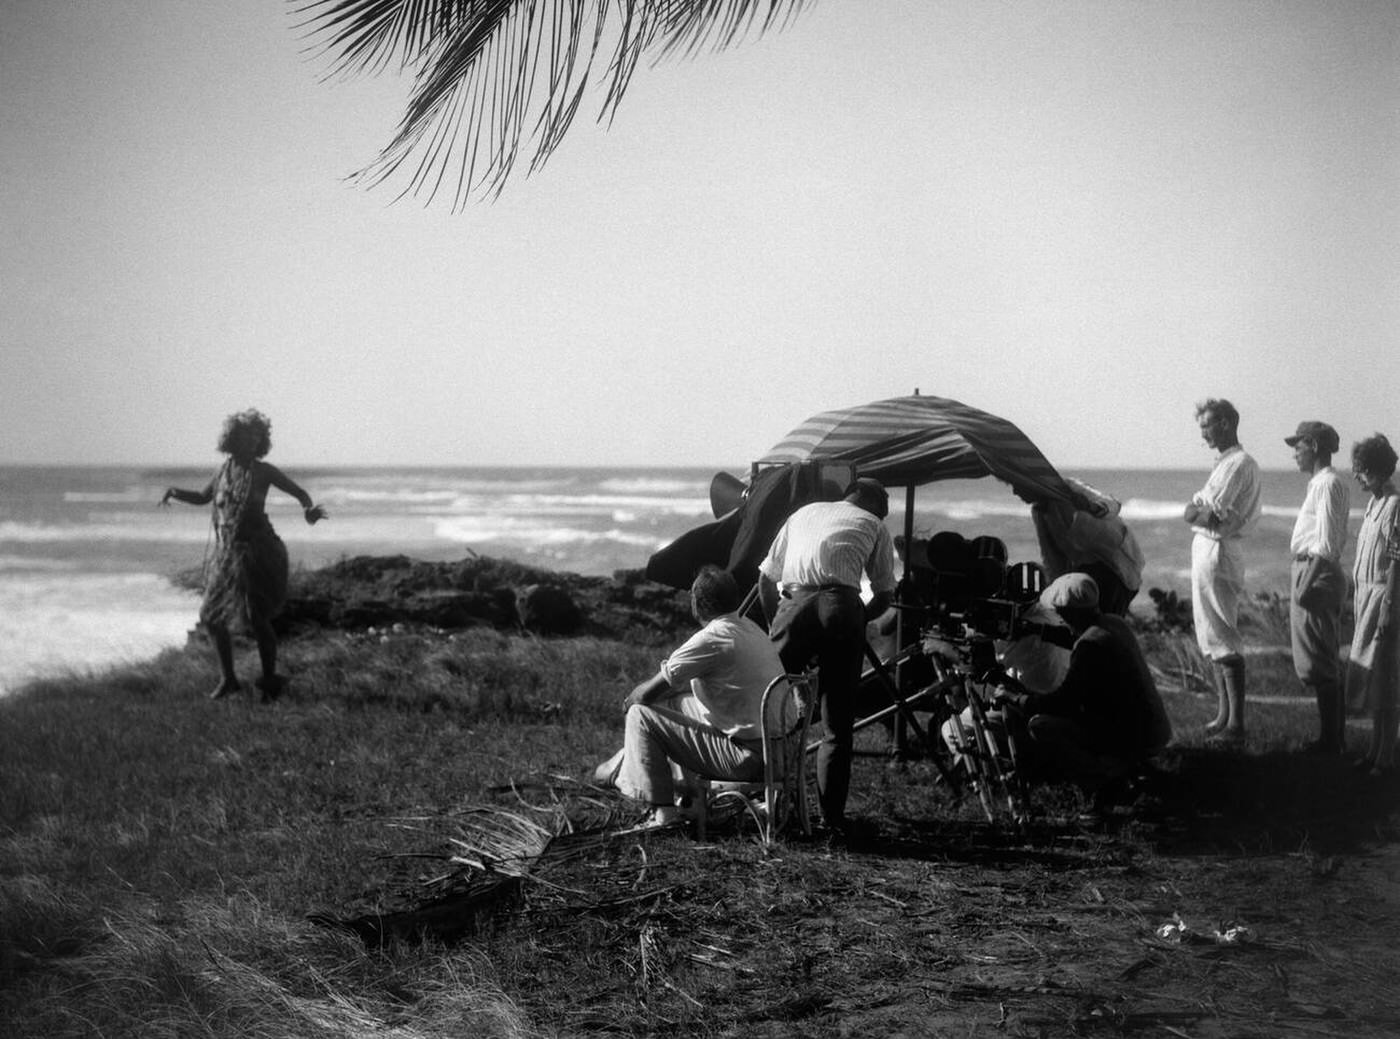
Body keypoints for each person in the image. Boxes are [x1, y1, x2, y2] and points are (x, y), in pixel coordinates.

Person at [757, 477, 898, 836]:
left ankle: (765, 800)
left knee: (768, 701)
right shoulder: (874, 524)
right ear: (869, 500)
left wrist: (781, 621)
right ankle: (831, 819)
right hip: (842, 605)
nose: (881, 514)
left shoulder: (803, 513)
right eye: (882, 509)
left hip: (795, 601)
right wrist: (853, 618)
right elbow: (884, 595)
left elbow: (765, 580)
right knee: (838, 723)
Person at [595, 565, 785, 828]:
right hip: (778, 751)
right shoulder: (750, 629)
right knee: (675, 702)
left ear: (698, 603)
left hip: (747, 760)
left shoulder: (711, 638)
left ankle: (663, 812)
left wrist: (629, 701)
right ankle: (688, 794)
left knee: (641, 714)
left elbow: (647, 694)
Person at [160, 409, 326, 702]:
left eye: (257, 437)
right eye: (246, 436)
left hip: (259, 551)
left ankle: (270, 680)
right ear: (232, 438)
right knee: (211, 616)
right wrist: (175, 491)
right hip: (227, 555)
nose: (252, 442)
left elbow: (300, 493)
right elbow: (203, 498)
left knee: (257, 617)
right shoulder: (222, 471)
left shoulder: (264, 471)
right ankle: (229, 679)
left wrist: (308, 512)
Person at [995, 573, 1172, 805]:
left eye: (1059, 613)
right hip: (1155, 729)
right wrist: (1036, 630)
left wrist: (1016, 698)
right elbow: (1076, 636)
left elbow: (1061, 704)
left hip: (1136, 738)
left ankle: (1104, 784)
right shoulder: (1113, 624)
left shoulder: (1089, 647)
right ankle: (1123, 767)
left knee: (1041, 725)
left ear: (1069, 613)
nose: (1058, 617)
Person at [1183, 398, 1262, 742]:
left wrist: (1196, 511)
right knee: (1211, 634)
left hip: (1219, 549)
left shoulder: (1239, 463)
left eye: (1208, 425)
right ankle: (1224, 715)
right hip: (1209, 548)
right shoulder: (1225, 462)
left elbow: (1208, 513)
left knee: (1224, 633)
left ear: (1227, 423)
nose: (1203, 433)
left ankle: (1236, 725)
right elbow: (1196, 509)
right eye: (1201, 426)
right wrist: (1196, 511)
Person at [1284, 421, 1351, 755]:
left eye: (1298, 445)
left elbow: (1324, 545)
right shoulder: (1323, 483)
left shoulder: (1326, 484)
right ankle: (1332, 739)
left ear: (1312, 445)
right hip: (1315, 570)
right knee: (1323, 659)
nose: (1295, 452)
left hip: (1316, 572)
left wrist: (1304, 587)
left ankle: (1331, 742)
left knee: (1322, 663)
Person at [1345, 435, 1400, 778]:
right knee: (1372, 680)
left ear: (1379, 471)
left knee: (1387, 680)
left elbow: (1396, 561)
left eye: (1362, 471)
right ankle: (1373, 749)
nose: (1357, 477)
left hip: (1383, 598)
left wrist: (1388, 607)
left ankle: (1386, 756)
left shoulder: (1396, 505)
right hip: (1364, 598)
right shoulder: (1373, 503)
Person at [1032, 477, 1146, 617]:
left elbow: (1112, 504)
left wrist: (1091, 506)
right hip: (1090, 569)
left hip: (1118, 565)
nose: (1015, 492)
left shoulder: (1068, 487)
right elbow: (1052, 559)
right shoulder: (1039, 511)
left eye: (1017, 485)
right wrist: (1055, 593)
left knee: (1102, 622)